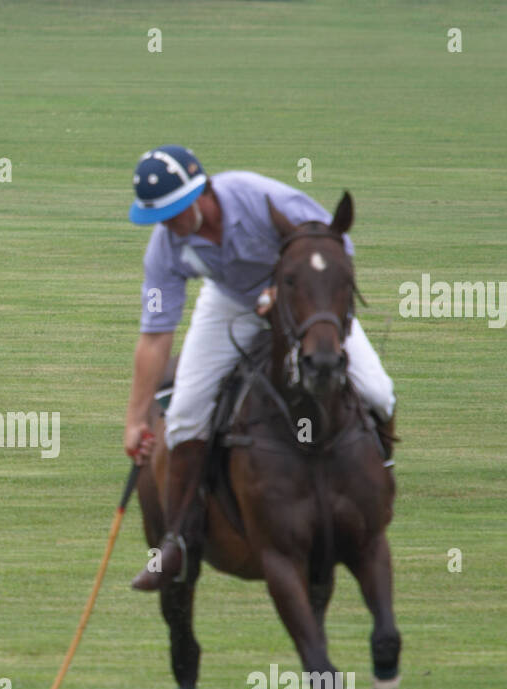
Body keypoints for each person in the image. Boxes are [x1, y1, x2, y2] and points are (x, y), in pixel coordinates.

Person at [123, 146, 396, 591]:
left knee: (378, 391)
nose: (169, 225)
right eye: (160, 217)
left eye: (175, 212)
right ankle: (175, 542)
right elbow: (155, 335)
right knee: (185, 414)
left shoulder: (259, 199)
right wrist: (135, 419)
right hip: (229, 303)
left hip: (307, 301)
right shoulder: (166, 249)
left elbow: (333, 243)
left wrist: (282, 290)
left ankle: (377, 490)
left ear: (203, 192)